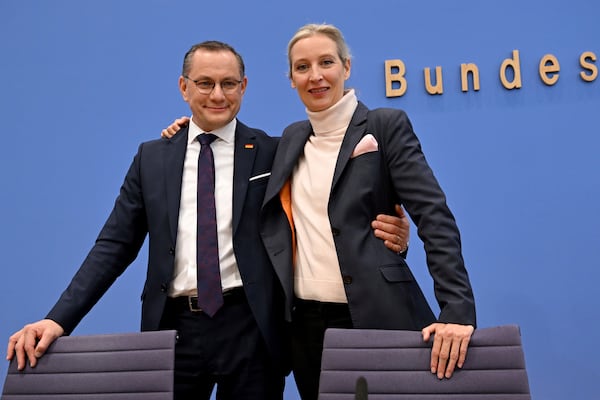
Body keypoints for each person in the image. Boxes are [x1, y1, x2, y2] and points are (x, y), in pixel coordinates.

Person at [6, 40, 409, 400]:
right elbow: (113, 246)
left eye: (229, 84)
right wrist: (58, 318)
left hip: (251, 330)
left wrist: (393, 234)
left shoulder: (276, 151)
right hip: (174, 331)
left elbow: (322, 208)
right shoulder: (153, 157)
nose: (218, 95)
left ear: (244, 87)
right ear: (184, 88)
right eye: (204, 83)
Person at [257, 23, 477, 400]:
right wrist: (184, 133)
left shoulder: (385, 126)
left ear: (346, 67)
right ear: (291, 79)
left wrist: (456, 309)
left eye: (326, 62)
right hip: (306, 328)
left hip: (377, 316)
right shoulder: (290, 138)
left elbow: (434, 216)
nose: (315, 76)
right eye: (302, 67)